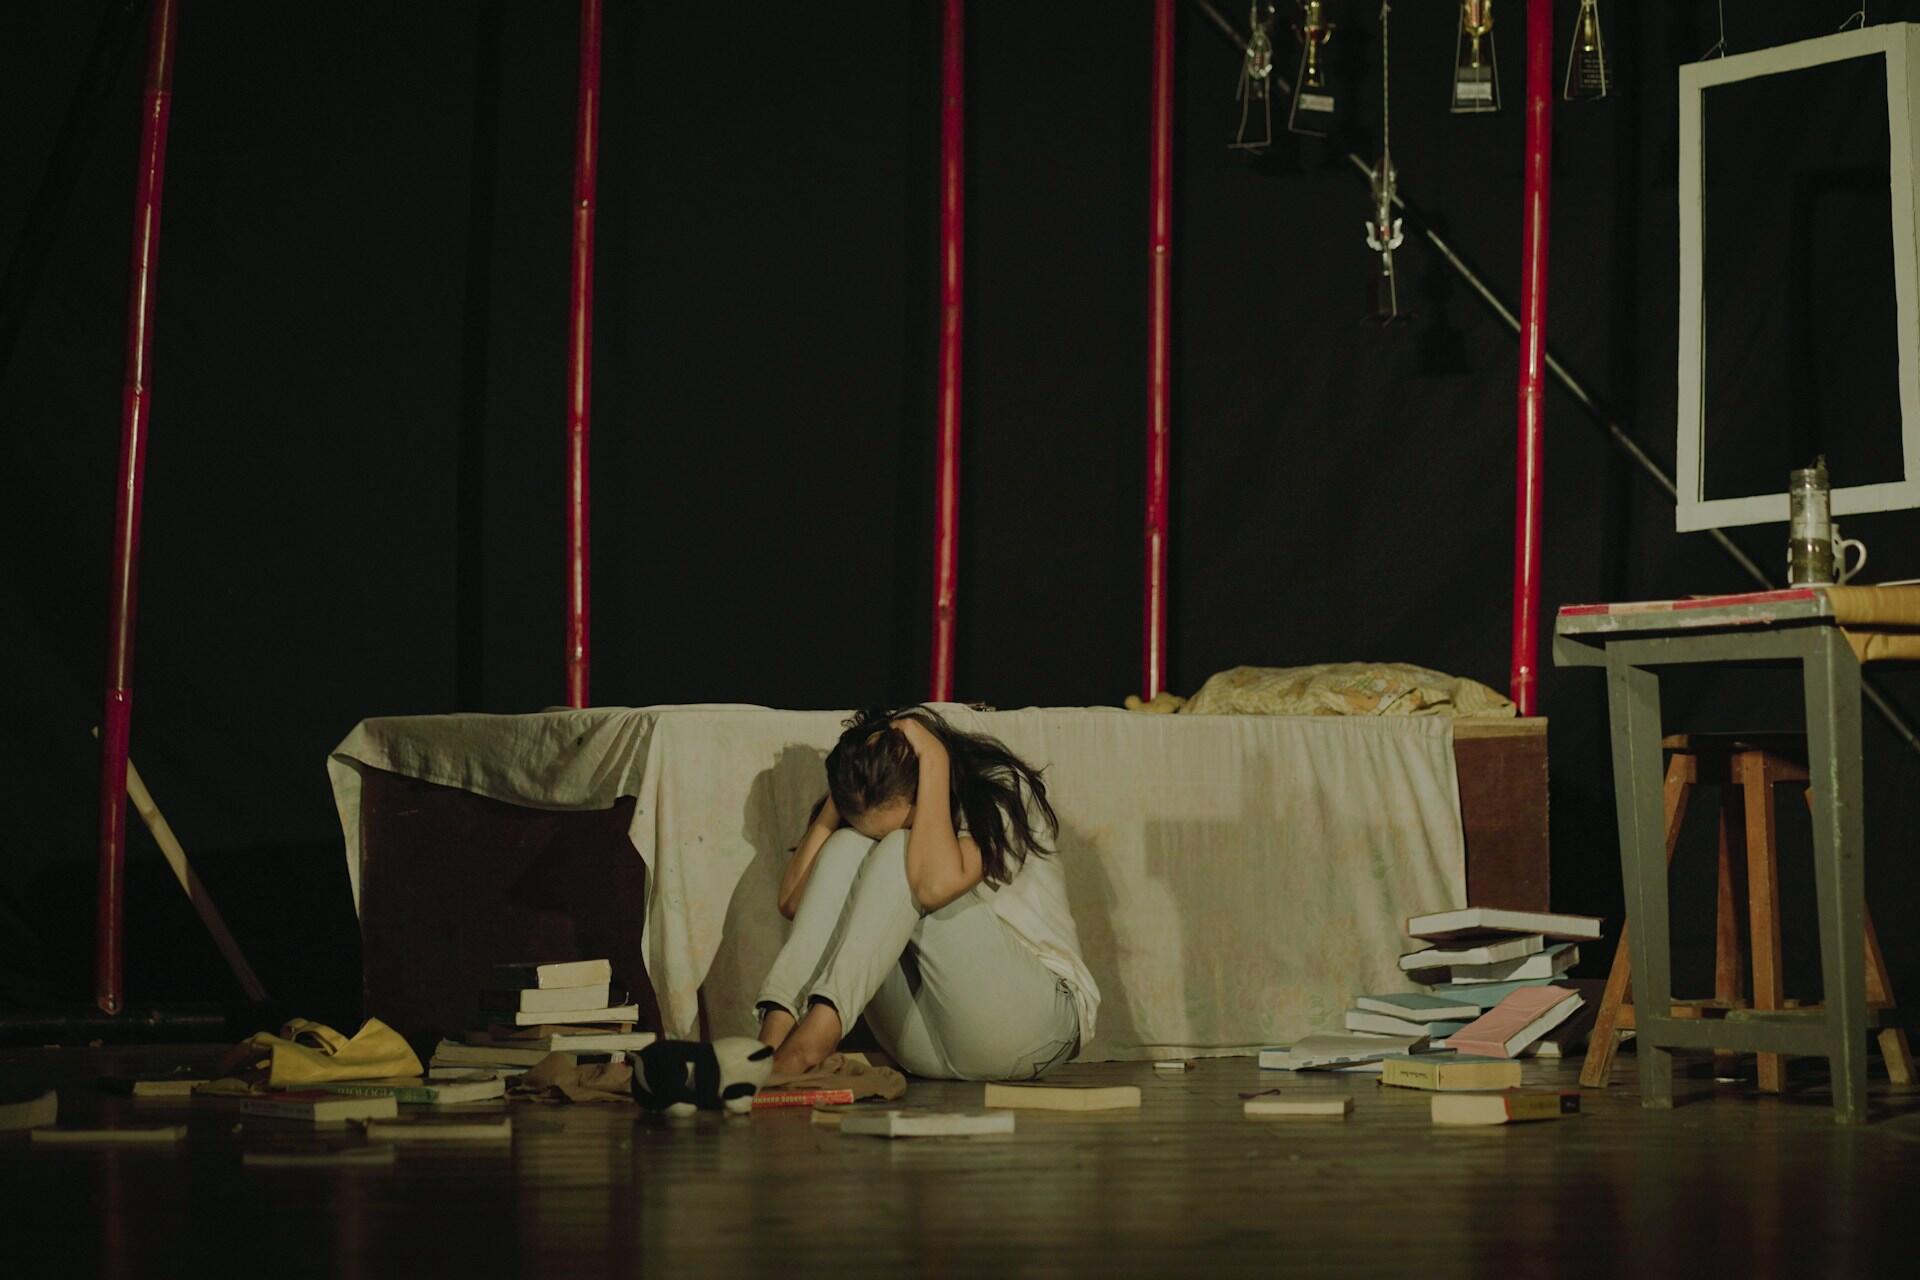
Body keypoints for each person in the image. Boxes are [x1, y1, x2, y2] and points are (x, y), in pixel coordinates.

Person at [754, 706, 1099, 1081]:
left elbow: (932, 885)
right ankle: (774, 1036)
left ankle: (818, 1032)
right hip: (926, 1048)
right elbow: (793, 902)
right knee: (847, 847)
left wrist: (934, 758)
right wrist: (837, 805)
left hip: (1033, 1028)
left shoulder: (996, 787)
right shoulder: (875, 797)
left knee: (902, 851)